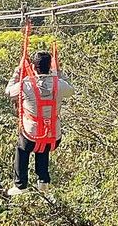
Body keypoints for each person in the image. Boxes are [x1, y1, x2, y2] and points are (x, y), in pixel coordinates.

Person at [5, 49, 73, 196]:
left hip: (31, 137)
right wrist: (58, 72)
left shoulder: (26, 85)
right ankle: (43, 180)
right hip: (54, 138)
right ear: (50, 67)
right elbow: (71, 90)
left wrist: (19, 71)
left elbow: (9, 91)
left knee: (22, 148)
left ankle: (20, 184)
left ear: (34, 67)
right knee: (43, 145)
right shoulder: (59, 84)